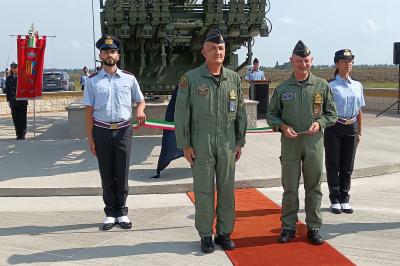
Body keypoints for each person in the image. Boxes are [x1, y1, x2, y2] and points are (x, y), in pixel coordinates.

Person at [174, 29, 247, 253]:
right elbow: (181, 113)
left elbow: (241, 112)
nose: (218, 52)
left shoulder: (233, 79)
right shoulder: (191, 79)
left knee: (226, 189)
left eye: (221, 48)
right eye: (213, 48)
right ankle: (206, 234)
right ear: (204, 52)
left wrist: (239, 140)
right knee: (204, 190)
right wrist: (184, 144)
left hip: (226, 142)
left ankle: (224, 233)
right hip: (201, 142)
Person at [267, 40, 337, 245]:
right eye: (299, 61)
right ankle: (288, 226)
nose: (303, 64)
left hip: (314, 144)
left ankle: (314, 227)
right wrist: (282, 126)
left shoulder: (321, 86)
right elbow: (272, 115)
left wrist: (320, 122)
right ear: (291, 61)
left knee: (313, 187)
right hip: (290, 144)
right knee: (289, 188)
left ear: (311, 61)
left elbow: (332, 114)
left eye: (306, 60)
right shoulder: (282, 89)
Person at [83, 35, 146, 231]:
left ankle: (122, 212)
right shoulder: (92, 81)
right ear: (100, 55)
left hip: (123, 131)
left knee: (122, 172)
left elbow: (140, 100)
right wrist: (90, 138)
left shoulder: (129, 78)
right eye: (105, 51)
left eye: (112, 51)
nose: (109, 55)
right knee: (106, 173)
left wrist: (140, 110)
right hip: (101, 130)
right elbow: (88, 112)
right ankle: (110, 213)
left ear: (118, 55)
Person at [324, 49, 365, 215]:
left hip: (351, 127)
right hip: (334, 127)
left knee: (348, 165)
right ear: (337, 64)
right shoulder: (330, 86)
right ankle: (334, 199)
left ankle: (344, 198)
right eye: (344, 61)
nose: (348, 64)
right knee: (333, 163)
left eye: (350, 61)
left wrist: (359, 131)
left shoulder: (357, 85)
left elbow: (359, 110)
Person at [4, 62, 28, 140]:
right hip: (13, 102)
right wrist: (8, 101)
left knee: (22, 118)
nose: (14, 69)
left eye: (16, 67)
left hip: (22, 101)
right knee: (15, 118)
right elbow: (7, 91)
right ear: (11, 68)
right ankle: (18, 134)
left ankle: (23, 133)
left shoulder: (23, 77)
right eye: (13, 68)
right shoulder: (8, 78)